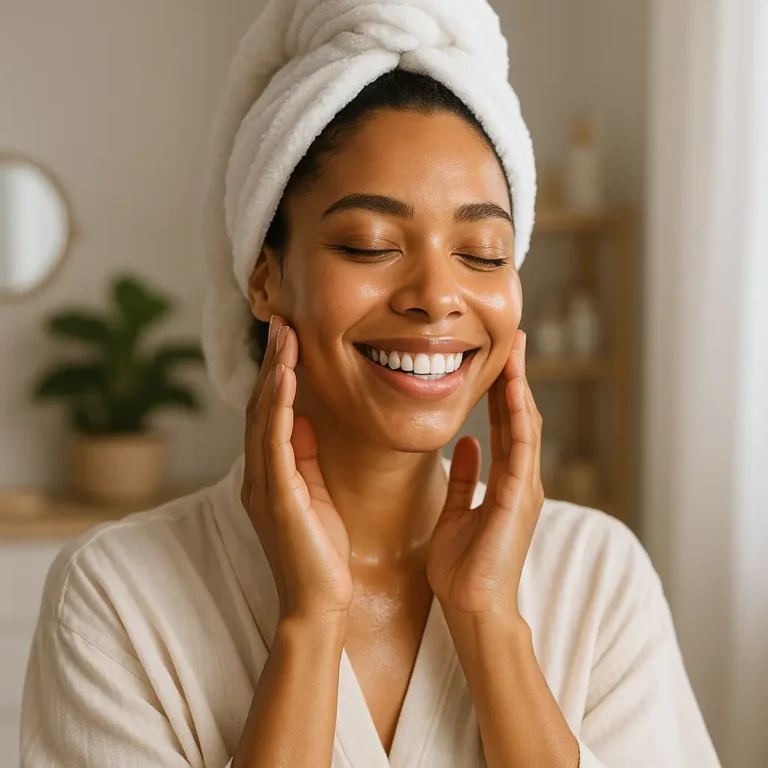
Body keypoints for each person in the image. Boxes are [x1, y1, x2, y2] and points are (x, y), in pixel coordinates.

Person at [21, 3, 720, 767]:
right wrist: (310, 626)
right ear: (265, 278)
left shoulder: (596, 577)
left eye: (483, 253)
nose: (437, 294)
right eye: (370, 244)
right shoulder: (118, 597)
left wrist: (491, 624)